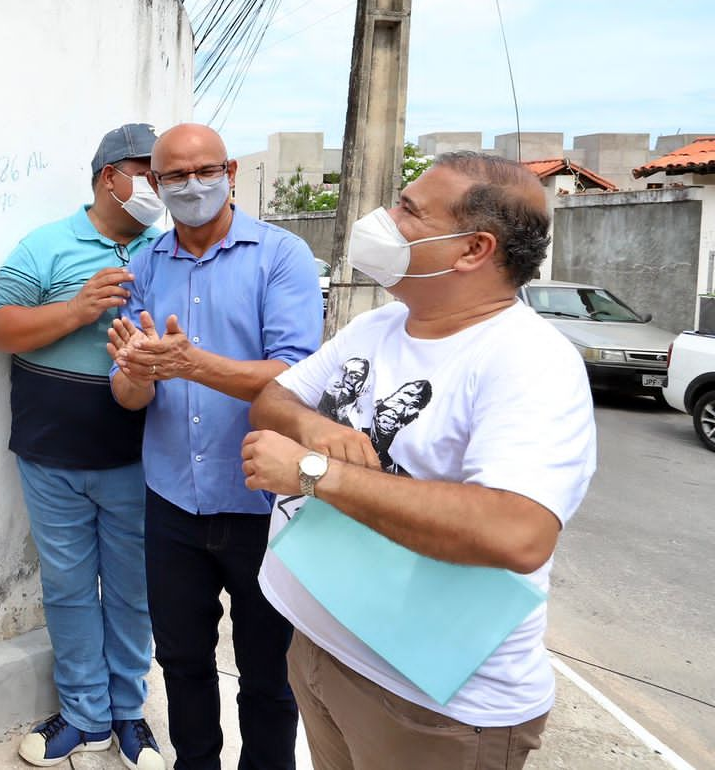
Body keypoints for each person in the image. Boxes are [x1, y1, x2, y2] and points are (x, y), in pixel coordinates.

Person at [243, 152, 597, 770]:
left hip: (431, 706)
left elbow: (517, 532)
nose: (384, 220)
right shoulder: (381, 326)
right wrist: (311, 429)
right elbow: (276, 399)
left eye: (408, 210)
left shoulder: (528, 361)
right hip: (325, 649)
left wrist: (313, 472)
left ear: (472, 250)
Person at [107, 122, 323, 770]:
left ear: (230, 174)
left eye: (205, 171)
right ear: (156, 183)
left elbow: (297, 375)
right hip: (171, 499)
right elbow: (125, 392)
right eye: (175, 175)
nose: (191, 184)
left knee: (267, 675)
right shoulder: (142, 265)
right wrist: (139, 373)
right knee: (181, 663)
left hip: (261, 504)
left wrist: (191, 363)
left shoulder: (280, 256)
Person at [0, 123, 165, 770]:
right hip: (51, 454)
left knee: (134, 589)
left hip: (140, 455)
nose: (156, 185)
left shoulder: (166, 251)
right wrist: (77, 311)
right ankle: (84, 715)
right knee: (67, 587)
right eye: (145, 170)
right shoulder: (47, 246)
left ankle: (128, 713)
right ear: (108, 175)